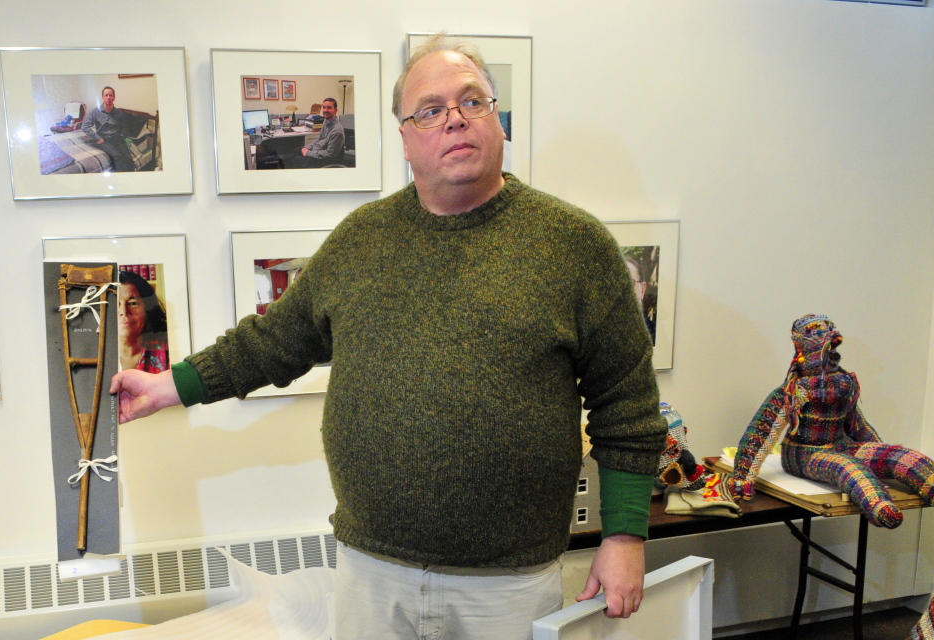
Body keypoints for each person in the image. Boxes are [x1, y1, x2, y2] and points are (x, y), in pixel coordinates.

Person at [110, 34, 666, 640]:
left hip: (508, 582)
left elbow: (627, 406)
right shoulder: (361, 241)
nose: (454, 119)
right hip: (371, 572)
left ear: (498, 121)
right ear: (404, 138)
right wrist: (169, 387)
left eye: (472, 101)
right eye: (430, 109)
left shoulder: (575, 246)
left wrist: (624, 536)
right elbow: (273, 343)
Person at [117, 270, 169, 373]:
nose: (124, 312)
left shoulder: (167, 347)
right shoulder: (93, 353)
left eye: (133, 303)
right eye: (115, 303)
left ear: (147, 308)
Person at [80, 86, 138, 173]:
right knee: (117, 156)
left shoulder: (118, 112)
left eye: (110, 95)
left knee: (129, 158)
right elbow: (84, 127)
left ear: (114, 98)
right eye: (106, 95)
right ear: (103, 97)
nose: (108, 97)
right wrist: (98, 138)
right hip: (103, 139)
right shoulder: (95, 112)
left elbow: (123, 127)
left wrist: (123, 137)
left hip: (117, 138)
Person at [295, 97, 345, 167]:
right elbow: (318, 139)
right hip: (318, 151)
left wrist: (308, 153)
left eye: (329, 108)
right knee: (296, 150)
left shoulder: (337, 131)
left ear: (336, 110)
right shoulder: (326, 121)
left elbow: (329, 154)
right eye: (324, 107)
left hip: (327, 160)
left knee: (298, 161)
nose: (325, 110)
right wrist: (306, 148)